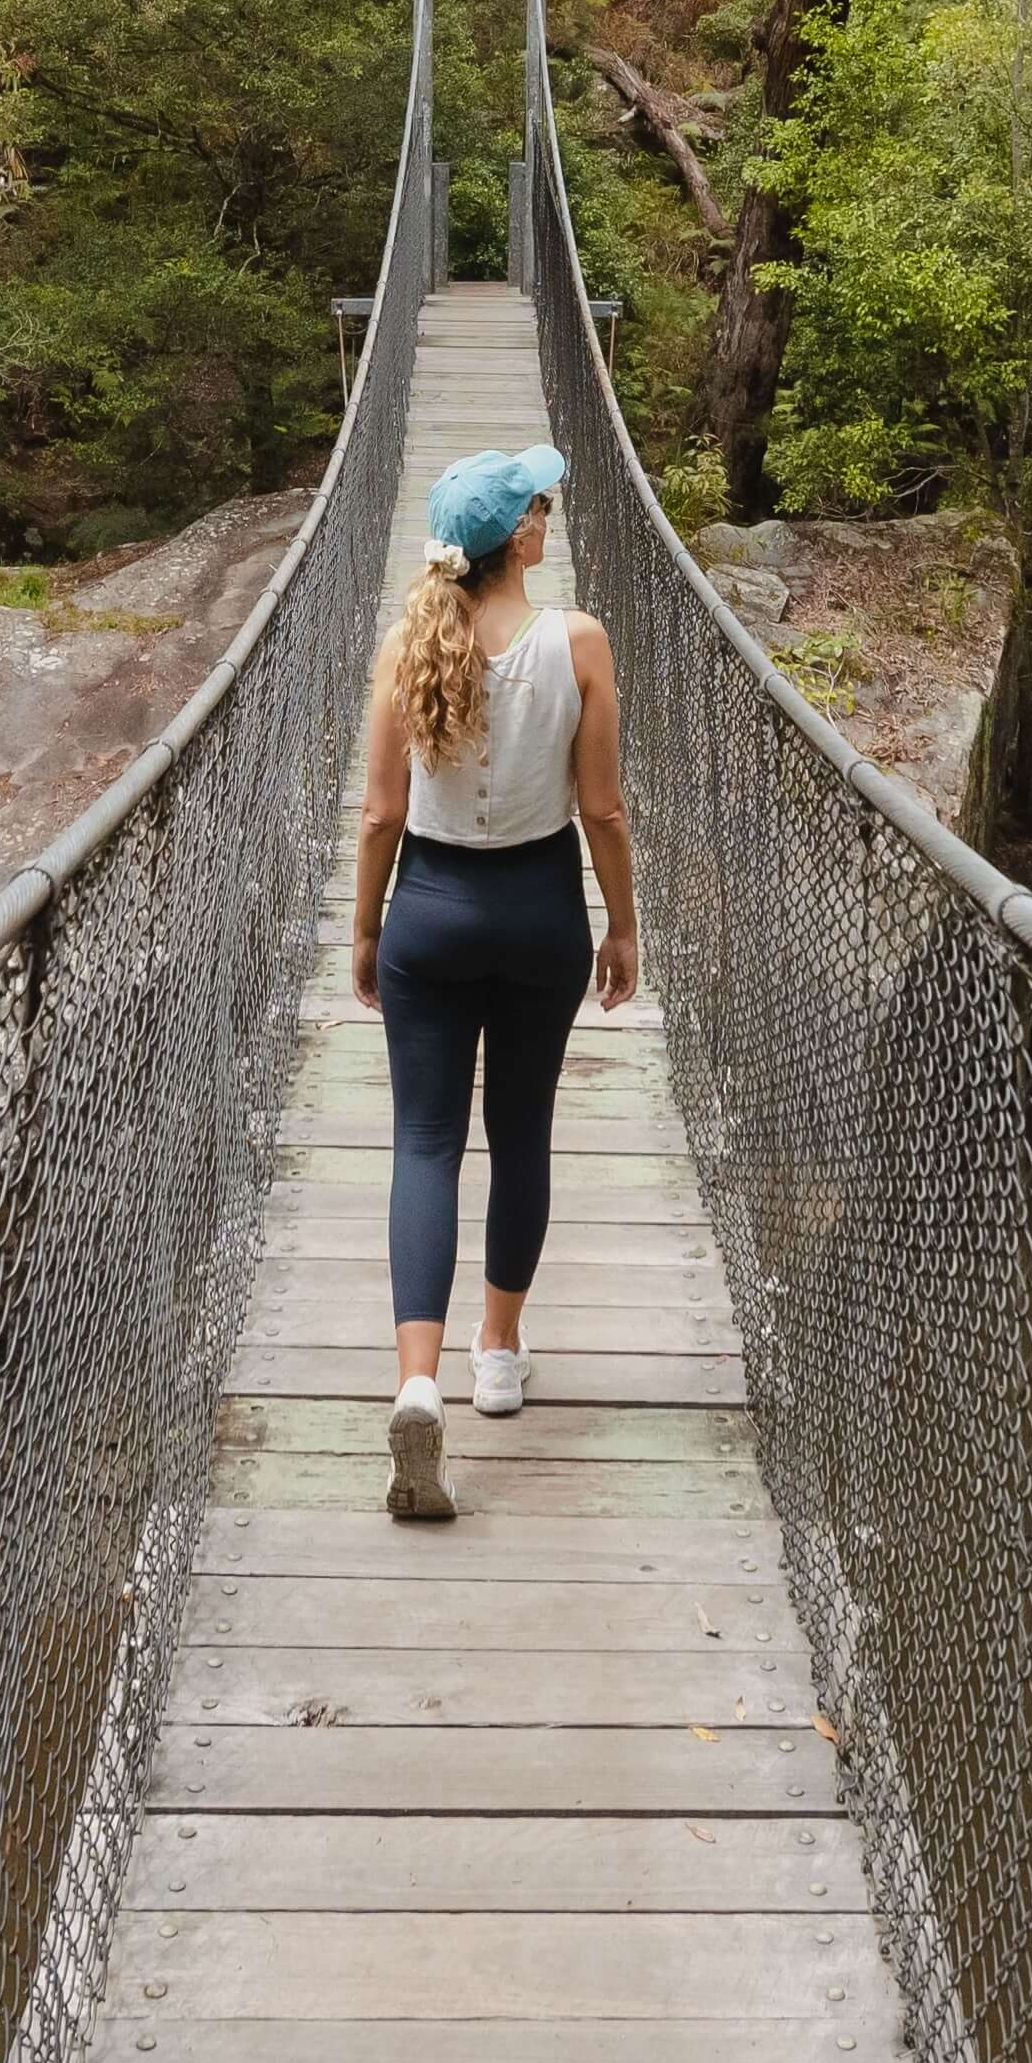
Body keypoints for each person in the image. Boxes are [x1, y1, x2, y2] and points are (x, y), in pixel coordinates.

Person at [348, 441, 642, 1525]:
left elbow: (379, 814)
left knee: (424, 1139)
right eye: (541, 503)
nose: (550, 514)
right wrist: (622, 924)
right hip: (537, 913)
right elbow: (602, 807)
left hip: (427, 907)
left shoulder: (405, 643)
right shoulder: (579, 640)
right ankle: (500, 1353)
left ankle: (416, 1380)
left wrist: (367, 928)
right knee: (521, 1133)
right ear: (518, 534)